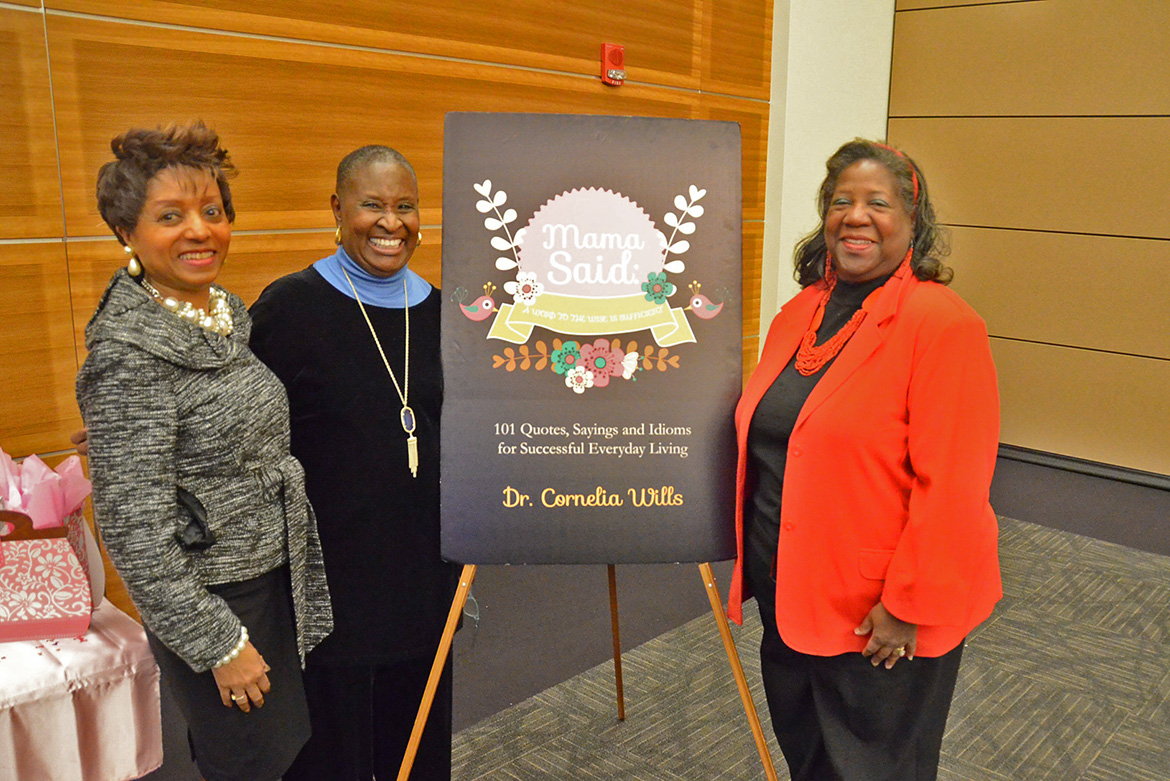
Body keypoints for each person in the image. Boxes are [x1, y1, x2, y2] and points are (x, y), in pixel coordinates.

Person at [727, 139, 1002, 780]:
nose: (856, 216)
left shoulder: (943, 325)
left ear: (912, 221)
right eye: (841, 201)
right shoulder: (799, 313)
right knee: (813, 760)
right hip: (790, 593)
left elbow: (955, 487)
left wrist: (908, 604)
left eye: (877, 203)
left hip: (878, 614)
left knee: (876, 769)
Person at [75, 122, 332, 781]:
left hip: (268, 572)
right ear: (126, 233)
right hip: (215, 598)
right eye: (171, 215)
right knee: (249, 760)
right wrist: (218, 643)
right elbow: (134, 536)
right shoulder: (128, 354)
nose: (200, 230)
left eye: (212, 211)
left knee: (287, 750)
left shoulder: (216, 310)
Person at [249, 145, 458, 780]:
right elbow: (243, 427)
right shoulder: (288, 310)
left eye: (406, 207)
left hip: (424, 573)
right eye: (372, 205)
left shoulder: (446, 314)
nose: (391, 223)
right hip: (329, 585)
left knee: (417, 747)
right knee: (333, 757)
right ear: (337, 209)